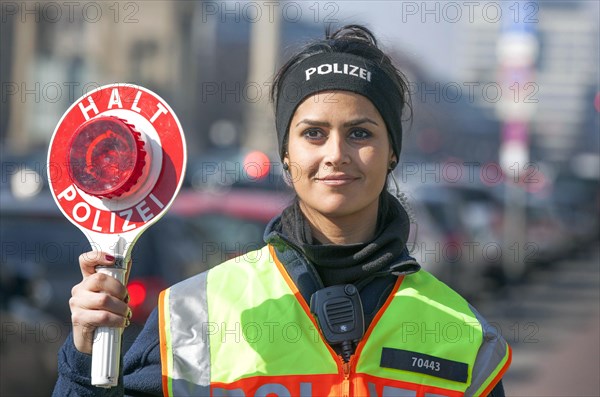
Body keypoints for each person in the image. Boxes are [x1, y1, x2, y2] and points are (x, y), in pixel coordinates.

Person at [54, 25, 510, 397]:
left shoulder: (463, 334)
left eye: (360, 134)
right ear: (286, 154)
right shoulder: (194, 314)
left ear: (392, 151)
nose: (336, 154)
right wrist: (85, 353)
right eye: (313, 133)